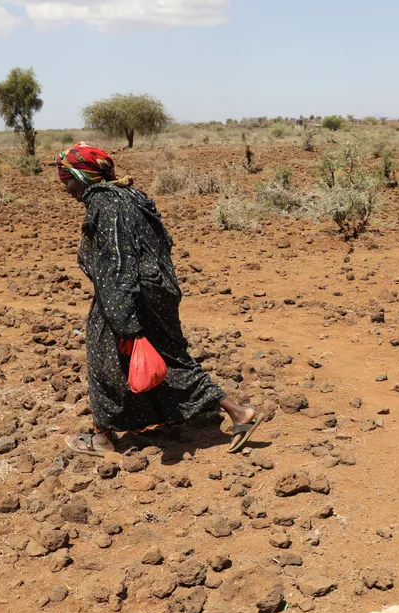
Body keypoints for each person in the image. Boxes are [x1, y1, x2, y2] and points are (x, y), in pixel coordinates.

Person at [54, 143, 262, 455]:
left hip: (130, 295)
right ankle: (237, 413)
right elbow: (162, 243)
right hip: (157, 289)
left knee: (104, 359)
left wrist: (124, 320)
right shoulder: (130, 195)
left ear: (83, 177)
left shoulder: (104, 204)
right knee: (170, 357)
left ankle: (102, 438)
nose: (65, 187)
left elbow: (117, 262)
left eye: (66, 179)